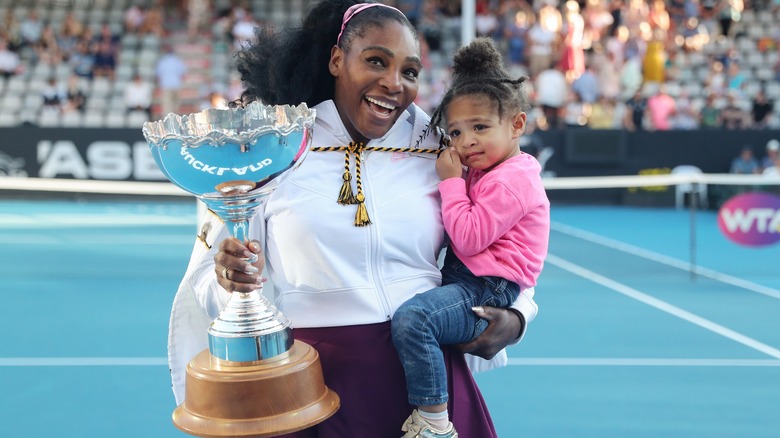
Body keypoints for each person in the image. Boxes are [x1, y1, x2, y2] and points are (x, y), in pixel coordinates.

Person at [168, 1, 539, 437]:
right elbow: (212, 277)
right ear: (336, 60)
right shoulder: (272, 148)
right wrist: (229, 278)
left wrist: (517, 315)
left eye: (410, 72)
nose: (393, 83)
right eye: (376, 61)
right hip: (313, 386)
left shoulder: (442, 150)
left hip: (428, 386)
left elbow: (509, 237)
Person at [390, 38, 549, 438]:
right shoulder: (490, 169)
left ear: (517, 124)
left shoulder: (511, 180)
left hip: (486, 288)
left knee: (415, 318)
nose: (466, 142)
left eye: (480, 127)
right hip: (470, 279)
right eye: (456, 132)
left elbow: (469, 236)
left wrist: (451, 183)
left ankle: (434, 422)